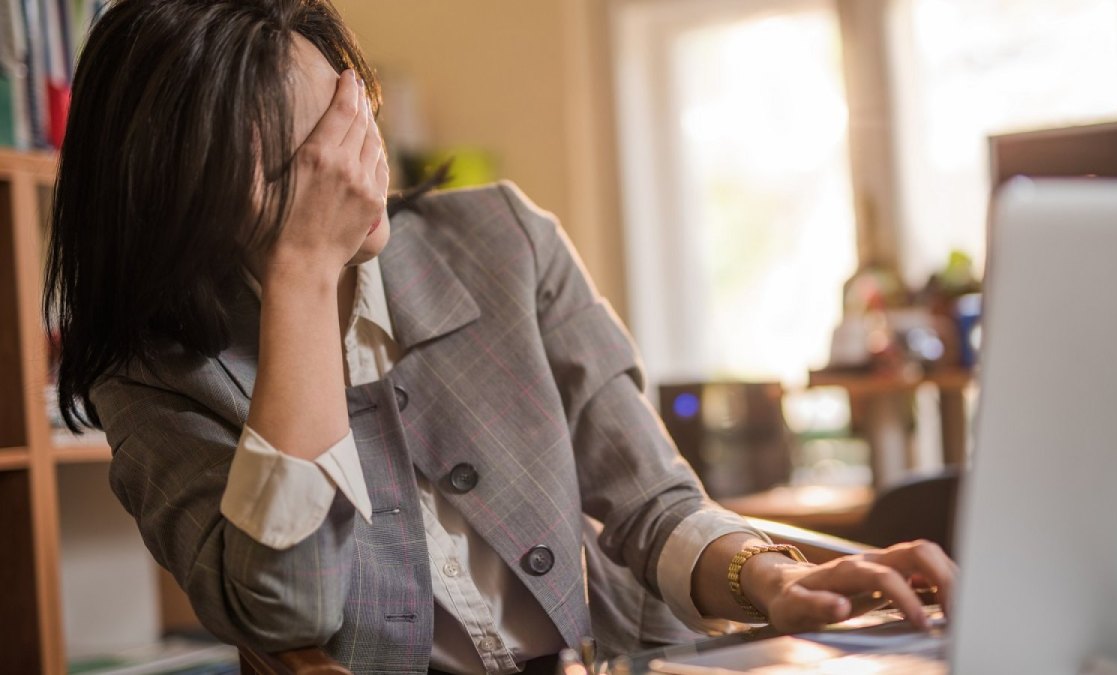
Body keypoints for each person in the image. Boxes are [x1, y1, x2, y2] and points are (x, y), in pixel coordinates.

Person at [44, 1, 957, 672]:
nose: (353, 171)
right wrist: (302, 277)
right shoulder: (154, 378)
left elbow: (654, 507)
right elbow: (287, 608)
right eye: (303, 163)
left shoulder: (503, 240)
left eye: (349, 115)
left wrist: (772, 579)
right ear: (188, 192)